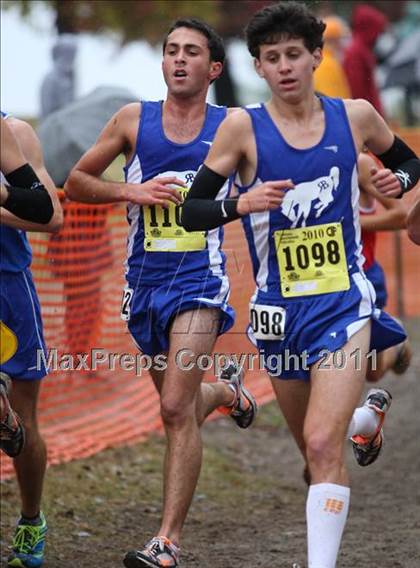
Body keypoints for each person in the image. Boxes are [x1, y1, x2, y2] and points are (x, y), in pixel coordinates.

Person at [182, 3, 420, 566]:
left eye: (294, 54)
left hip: (342, 302)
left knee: (320, 443)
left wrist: (397, 177)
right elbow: (194, 211)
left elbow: (410, 163)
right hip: (278, 312)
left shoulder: (355, 116)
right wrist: (243, 202)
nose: (285, 66)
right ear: (259, 68)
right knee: (314, 456)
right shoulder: (242, 126)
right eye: (271, 58)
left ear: (316, 56)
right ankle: (365, 418)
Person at [65, 18, 257, 568]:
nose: (178, 60)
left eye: (191, 52)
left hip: (201, 280)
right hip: (143, 283)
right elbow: (77, 180)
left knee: (173, 407)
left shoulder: (232, 125)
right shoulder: (133, 119)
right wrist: (132, 188)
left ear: (213, 68)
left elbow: (276, 173)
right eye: (171, 50)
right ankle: (226, 394)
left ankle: (166, 542)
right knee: (183, 403)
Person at [1, 112, 63, 568]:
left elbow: (52, 217)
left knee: (24, 422)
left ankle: (30, 518)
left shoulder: (16, 133)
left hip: (8, 288)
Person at [357, 151, 412, 381]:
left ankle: (396, 346)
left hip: (364, 275)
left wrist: (352, 223)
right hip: (322, 278)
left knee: (372, 372)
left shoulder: (361, 163)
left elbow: (402, 215)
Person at [343, 3, 388, 115]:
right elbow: (357, 92)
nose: (378, 35)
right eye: (377, 31)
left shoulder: (361, 49)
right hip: (365, 117)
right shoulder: (356, 52)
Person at [40, 34, 77, 119]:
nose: (71, 58)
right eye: (68, 53)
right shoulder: (50, 79)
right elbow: (46, 110)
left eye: (72, 54)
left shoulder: (70, 77)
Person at [313, 15, 351, 99]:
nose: (342, 44)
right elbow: (330, 100)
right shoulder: (327, 64)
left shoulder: (325, 61)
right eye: (340, 39)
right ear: (334, 41)